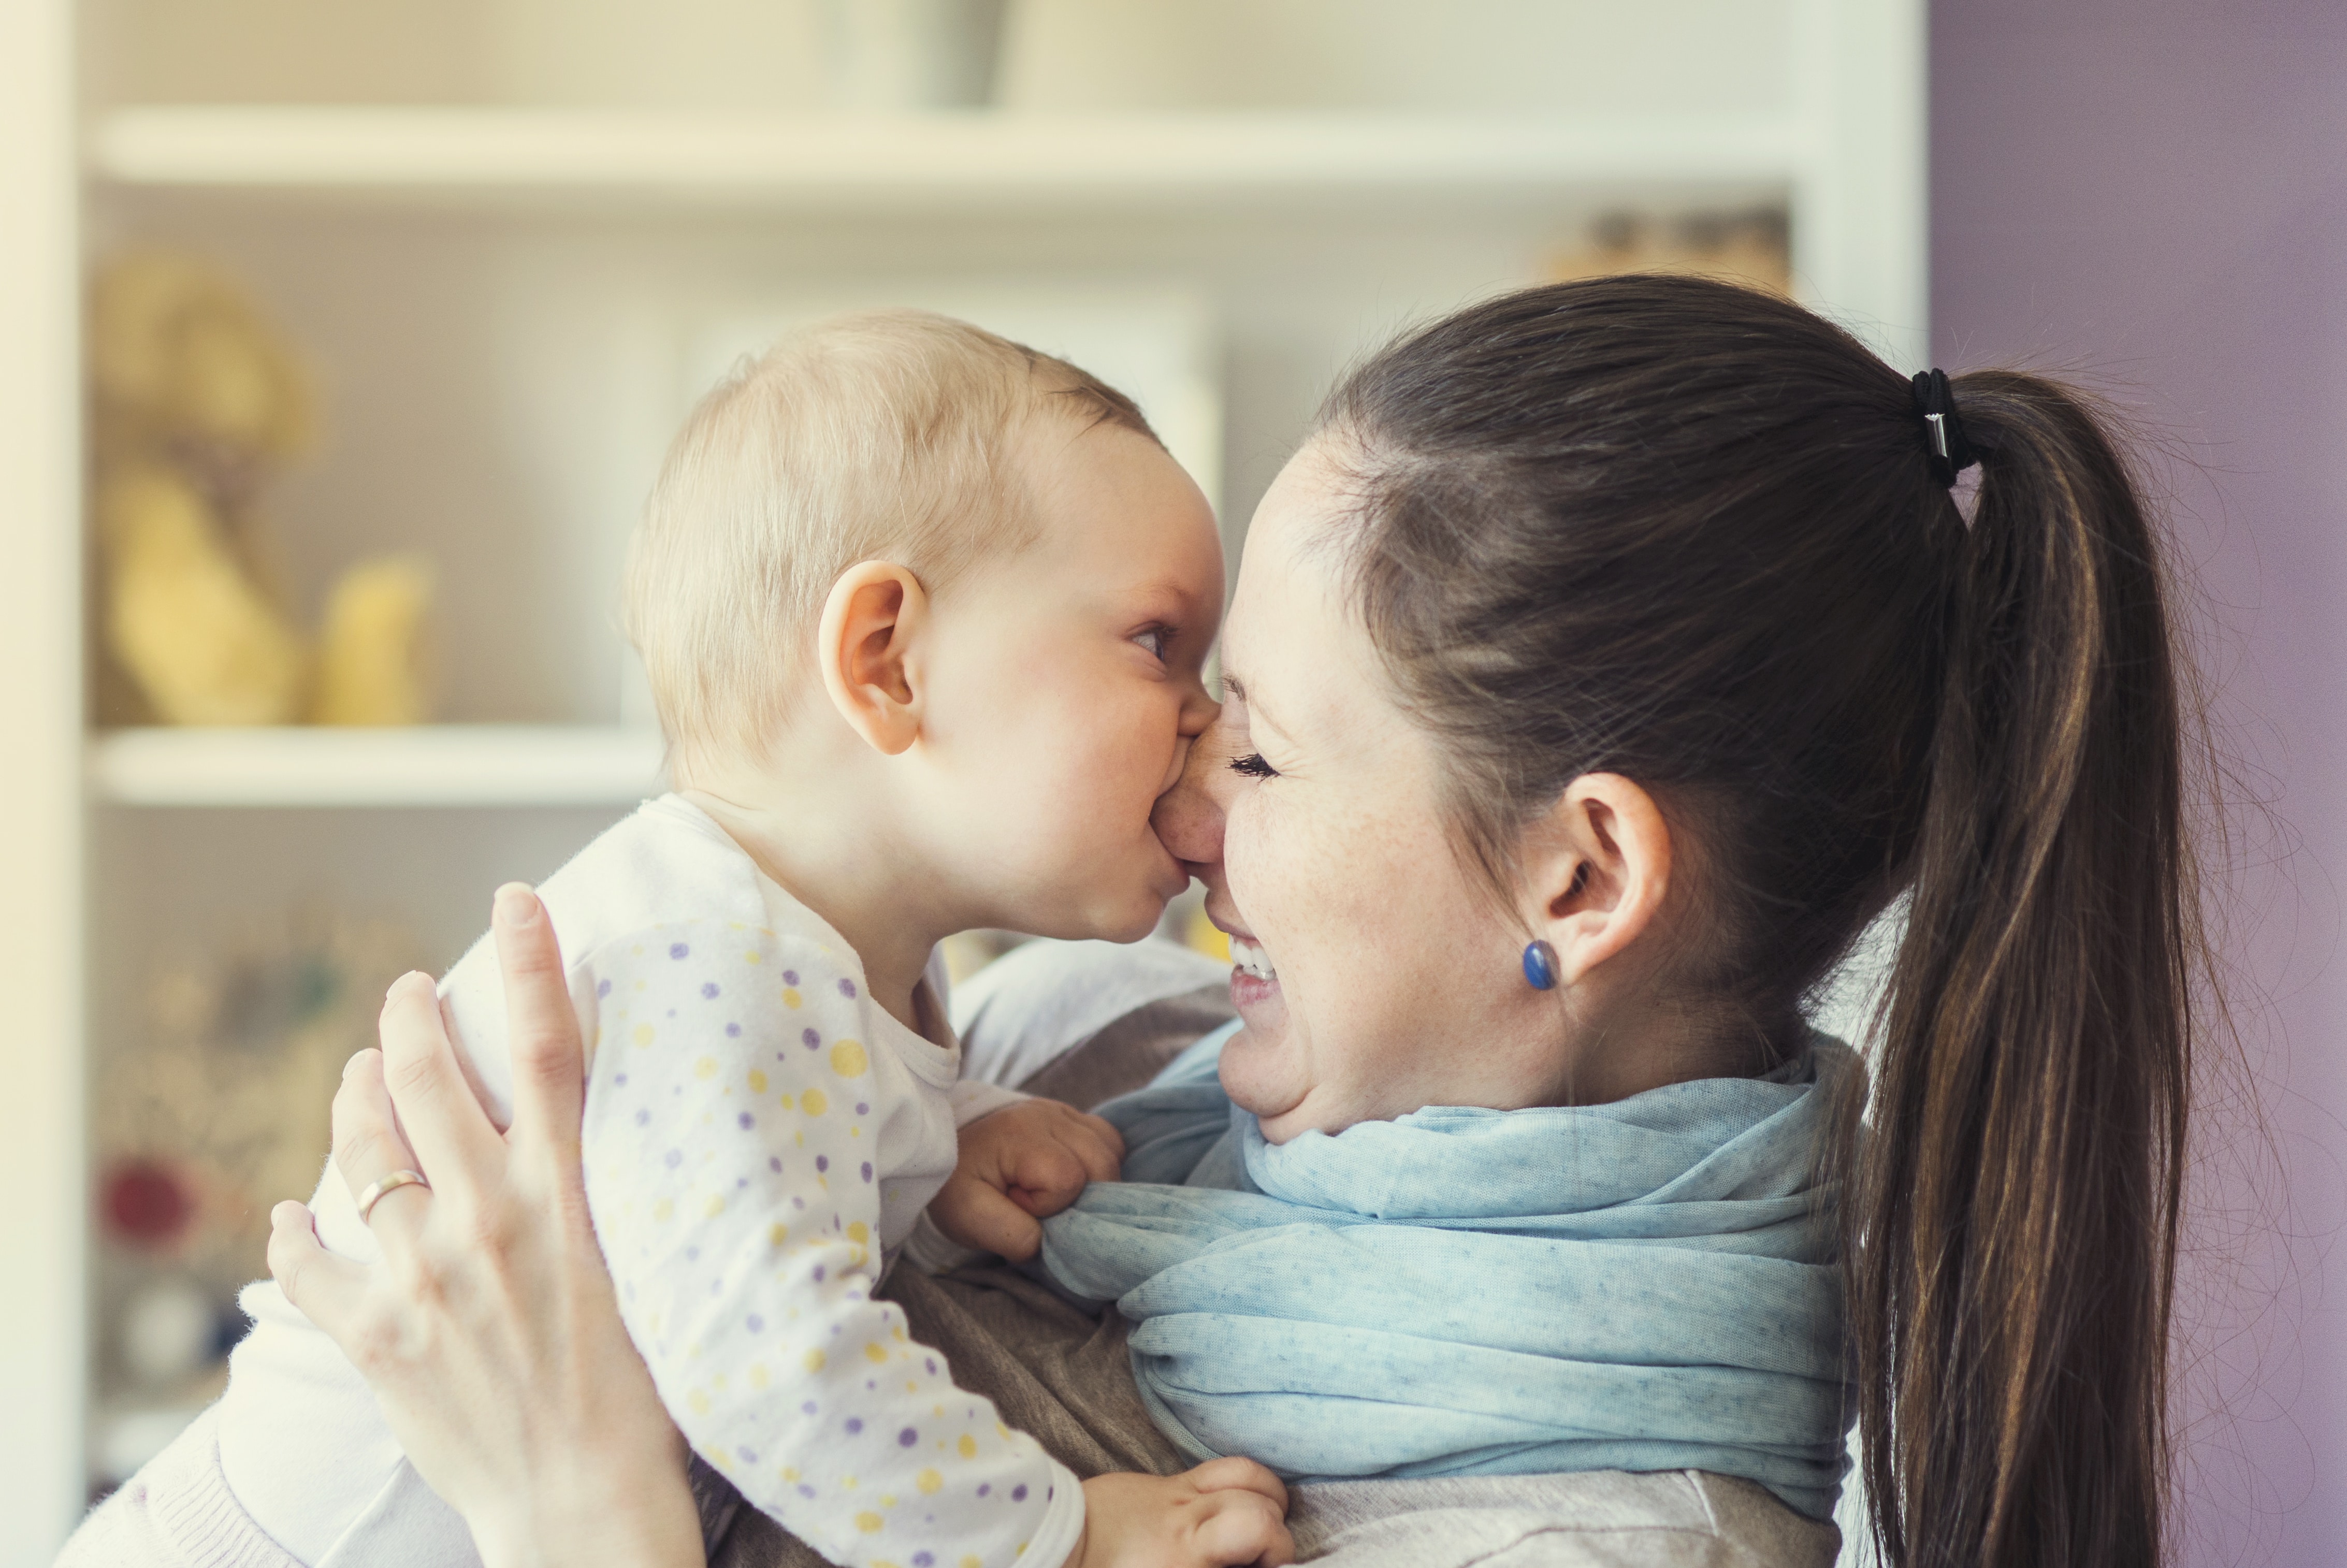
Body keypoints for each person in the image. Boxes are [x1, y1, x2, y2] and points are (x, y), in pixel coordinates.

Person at [67, 274, 2200, 1568]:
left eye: (1255, 750)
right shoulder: (1087, 1042)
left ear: (1575, 875)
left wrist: (571, 1504)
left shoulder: (1583, 1530)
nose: (1182, 809)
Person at [193, 309, 1294, 1568]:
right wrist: (1060, 1534)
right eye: (1158, 642)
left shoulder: (808, 961)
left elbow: (738, 1177)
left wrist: (949, 1130)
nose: (1207, 717)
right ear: (887, 661)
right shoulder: (712, 967)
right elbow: (777, 1365)